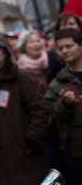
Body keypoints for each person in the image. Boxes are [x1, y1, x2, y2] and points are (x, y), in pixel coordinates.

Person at [0, 34, 48, 185]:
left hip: (22, 155)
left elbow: (41, 111)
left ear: (5, 51)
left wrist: (29, 141)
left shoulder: (22, 77)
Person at [44, 28, 82, 184]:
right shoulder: (57, 82)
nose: (65, 51)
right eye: (60, 48)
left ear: (80, 45)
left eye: (69, 46)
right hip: (78, 149)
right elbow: (53, 112)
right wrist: (65, 103)